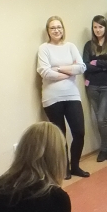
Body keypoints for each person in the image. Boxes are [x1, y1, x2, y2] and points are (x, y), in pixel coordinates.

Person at [36, 16, 90, 179]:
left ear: (63, 29)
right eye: (52, 28)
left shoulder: (70, 46)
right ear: (48, 31)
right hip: (52, 98)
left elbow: (81, 67)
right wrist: (68, 71)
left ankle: (75, 166)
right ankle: (63, 168)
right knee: (59, 136)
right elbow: (45, 72)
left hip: (72, 95)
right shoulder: (44, 48)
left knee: (79, 132)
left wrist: (58, 68)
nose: (56, 30)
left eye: (59, 27)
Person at [82, 15, 107, 162]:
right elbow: (86, 65)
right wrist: (104, 63)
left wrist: (95, 62)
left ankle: (104, 148)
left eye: (100, 27)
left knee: (102, 117)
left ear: (105, 28)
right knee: (99, 119)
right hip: (92, 86)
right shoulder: (88, 45)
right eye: (95, 27)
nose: (98, 30)